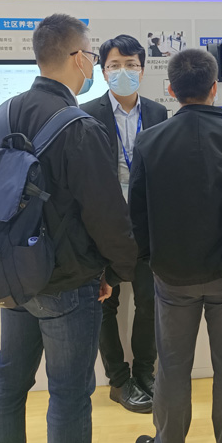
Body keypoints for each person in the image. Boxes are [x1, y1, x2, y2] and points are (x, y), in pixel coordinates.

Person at [0, 14, 138, 443]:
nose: (93, 64)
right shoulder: (81, 126)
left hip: (12, 273)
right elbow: (106, 214)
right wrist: (118, 270)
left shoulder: (1, 115)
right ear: (76, 57)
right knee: (69, 394)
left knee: (9, 382)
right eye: (92, 55)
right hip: (67, 280)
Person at [130, 49, 222, 443]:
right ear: (214, 87)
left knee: (172, 366)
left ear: (171, 90)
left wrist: (150, 260)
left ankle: (167, 441)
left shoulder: (148, 141)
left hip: (171, 276)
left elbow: (137, 214)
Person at [80, 34, 167, 414]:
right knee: (105, 303)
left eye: (131, 65)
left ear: (143, 70)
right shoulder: (87, 113)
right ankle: (118, 380)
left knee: (149, 302)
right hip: (103, 225)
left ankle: (145, 372)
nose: (123, 72)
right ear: (103, 71)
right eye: (115, 65)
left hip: (146, 224)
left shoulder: (158, 113)